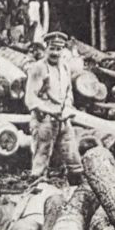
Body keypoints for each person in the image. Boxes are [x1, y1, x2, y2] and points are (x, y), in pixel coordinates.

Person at [24, 32, 82, 184]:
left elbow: (68, 91)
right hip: (45, 120)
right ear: (46, 48)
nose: (55, 53)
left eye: (59, 49)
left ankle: (77, 192)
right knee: (41, 158)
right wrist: (49, 110)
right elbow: (31, 98)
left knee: (73, 157)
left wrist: (68, 107)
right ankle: (36, 193)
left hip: (63, 120)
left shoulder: (64, 67)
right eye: (52, 48)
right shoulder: (38, 68)